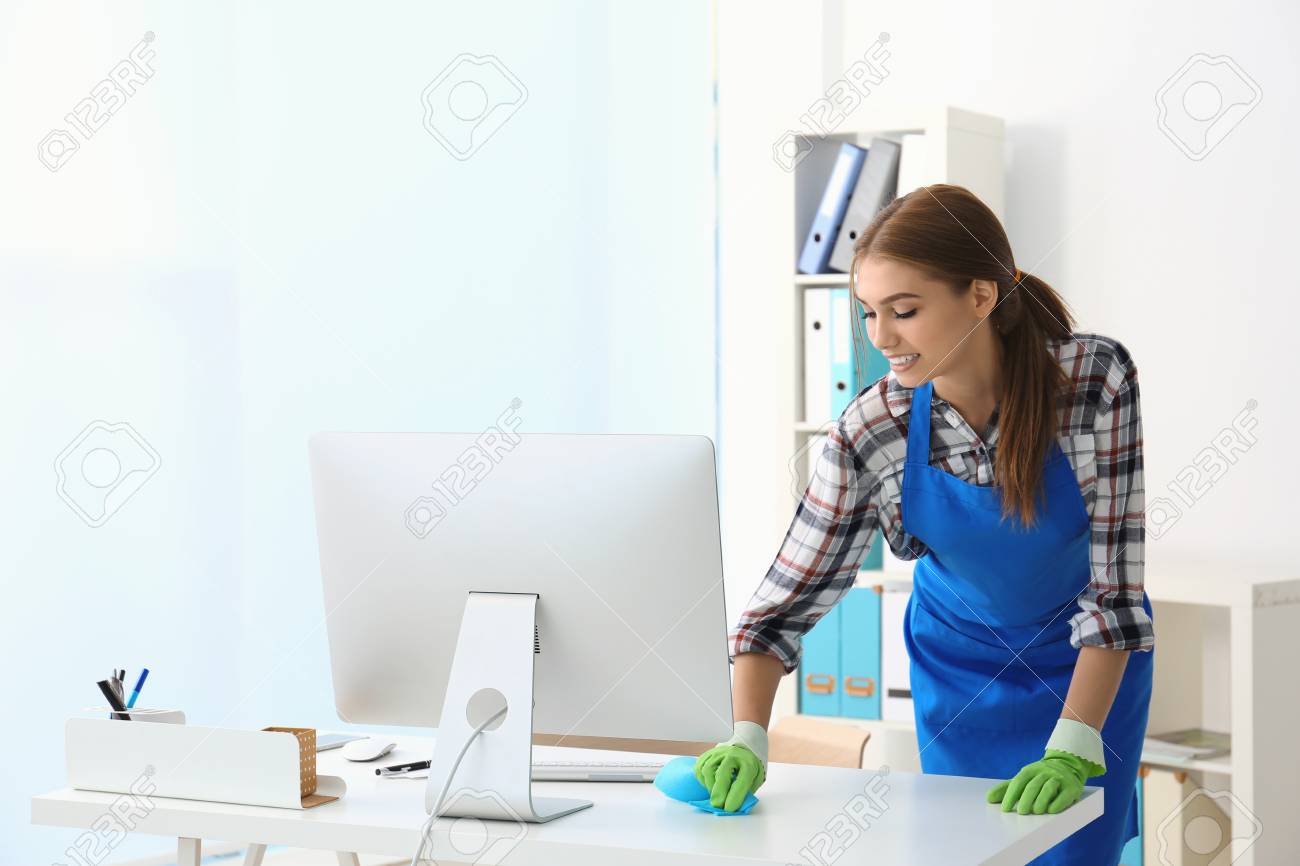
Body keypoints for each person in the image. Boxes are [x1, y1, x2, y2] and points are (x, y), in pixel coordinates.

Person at [694, 184, 1154, 865]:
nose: (881, 339)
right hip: (960, 669)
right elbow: (781, 606)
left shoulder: (1091, 381)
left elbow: (1113, 591)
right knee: (972, 850)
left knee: (1077, 850)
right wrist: (745, 734)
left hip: (1087, 665)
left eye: (904, 311)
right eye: (870, 314)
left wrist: (1074, 741)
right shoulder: (871, 430)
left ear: (981, 294)